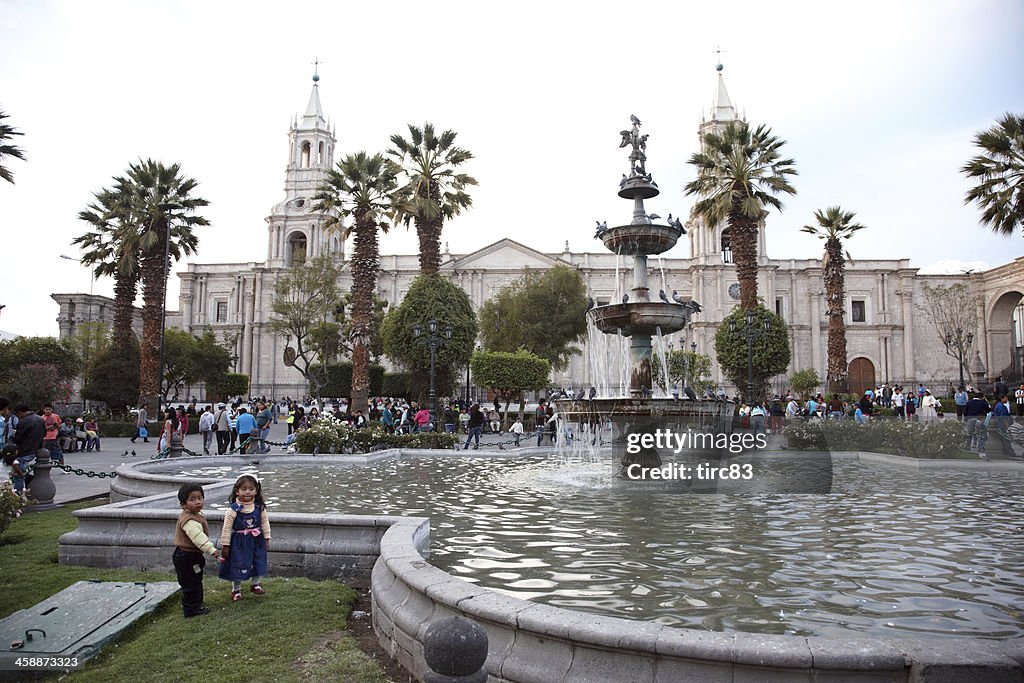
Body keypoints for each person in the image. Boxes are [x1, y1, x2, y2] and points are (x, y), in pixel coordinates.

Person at [219, 475, 271, 601]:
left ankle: (256, 584)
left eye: (251, 489)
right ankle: (236, 590)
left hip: (256, 540)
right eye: (244, 489)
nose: (248, 492)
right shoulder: (233, 509)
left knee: (258, 560)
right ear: (237, 491)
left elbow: (265, 523)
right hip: (239, 542)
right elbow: (226, 528)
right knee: (238, 563)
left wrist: (267, 537)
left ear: (256, 490)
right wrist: (225, 545)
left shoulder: (259, 507)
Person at [173, 483, 219, 618]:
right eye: (192, 499)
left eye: (199, 498)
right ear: (183, 504)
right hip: (187, 556)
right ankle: (192, 609)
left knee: (194, 579)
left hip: (189, 555)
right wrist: (211, 549)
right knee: (191, 582)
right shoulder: (189, 520)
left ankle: (195, 603)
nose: (197, 502)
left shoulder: (194, 514)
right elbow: (198, 537)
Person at [10, 404, 44, 496]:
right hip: (36, 448)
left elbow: (18, 438)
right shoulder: (40, 419)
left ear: (20, 412)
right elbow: (44, 434)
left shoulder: (24, 421)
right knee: (22, 470)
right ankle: (27, 482)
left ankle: (18, 495)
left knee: (18, 474)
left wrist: (12, 436)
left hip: (24, 450)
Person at [963, 392, 991, 458]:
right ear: (981, 397)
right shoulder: (983, 403)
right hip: (980, 419)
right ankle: (981, 448)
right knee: (982, 434)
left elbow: (965, 412)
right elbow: (988, 410)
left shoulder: (969, 402)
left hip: (970, 419)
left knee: (969, 433)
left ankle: (967, 446)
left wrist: (966, 419)